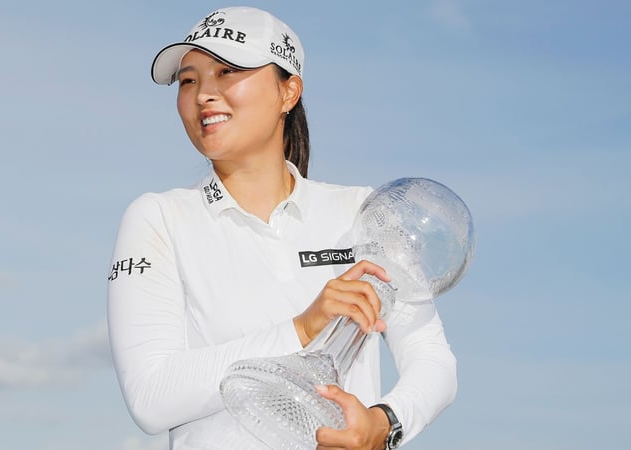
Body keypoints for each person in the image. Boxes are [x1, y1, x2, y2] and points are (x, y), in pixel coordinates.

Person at [107, 6, 457, 450]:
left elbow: (434, 362)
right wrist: (303, 328)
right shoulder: (158, 218)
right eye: (189, 80)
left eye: (227, 71)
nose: (203, 95)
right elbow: (151, 397)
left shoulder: (360, 211)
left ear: (288, 91)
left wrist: (383, 424)